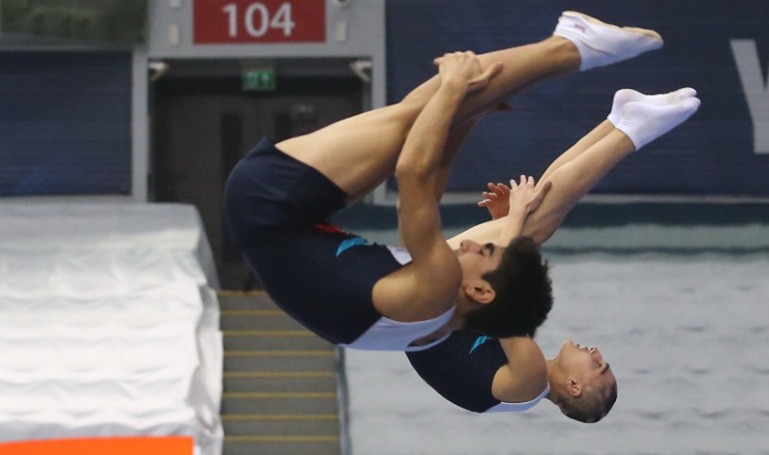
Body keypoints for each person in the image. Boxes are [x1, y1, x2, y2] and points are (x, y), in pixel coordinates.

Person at [223, 11, 665, 351]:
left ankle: (571, 46)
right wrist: (464, 121)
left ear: (480, 290)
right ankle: (626, 125)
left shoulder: (436, 290)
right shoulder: (439, 320)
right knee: (526, 221)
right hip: (290, 224)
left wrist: (454, 90)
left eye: (484, 253)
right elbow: (428, 195)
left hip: (266, 200)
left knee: (415, 117)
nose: (470, 244)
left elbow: (413, 173)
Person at [407, 87, 701, 421]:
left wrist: (514, 217)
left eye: (598, 366)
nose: (596, 352)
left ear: (574, 386)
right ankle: (618, 120)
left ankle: (629, 129)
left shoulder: (529, 381)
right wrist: (504, 223)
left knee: (534, 225)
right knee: (532, 224)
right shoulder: (522, 379)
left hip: (421, 299)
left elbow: (501, 287)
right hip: (427, 299)